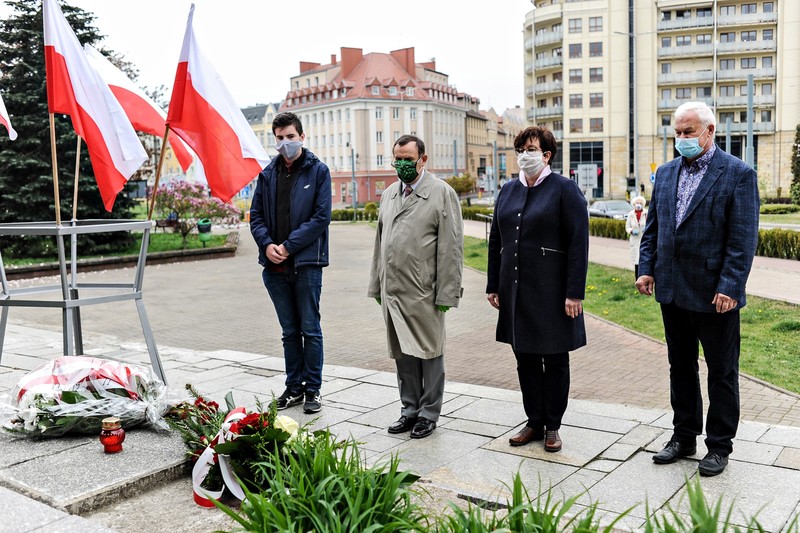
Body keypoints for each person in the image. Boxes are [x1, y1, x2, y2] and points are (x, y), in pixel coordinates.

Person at [636, 101, 759, 476]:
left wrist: (731, 286)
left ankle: (719, 446)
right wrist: (646, 269)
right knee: (680, 367)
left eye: (688, 132)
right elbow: (653, 228)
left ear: (710, 130)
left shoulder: (738, 173)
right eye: (677, 132)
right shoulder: (666, 173)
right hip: (672, 290)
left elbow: (742, 239)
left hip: (715, 294)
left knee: (722, 372)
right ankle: (684, 436)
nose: (682, 138)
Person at [486, 126, 589, 453]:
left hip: (552, 292)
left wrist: (574, 292)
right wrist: (493, 284)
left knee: (555, 359)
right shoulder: (508, 190)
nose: (524, 155)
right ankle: (534, 420)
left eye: (531, 149)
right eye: (521, 150)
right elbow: (495, 239)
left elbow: (578, 243)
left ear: (546, 155)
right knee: (525, 358)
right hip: (515, 291)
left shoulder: (564, 189)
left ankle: (553, 425)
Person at [367, 134, 464, 439]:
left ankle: (428, 414)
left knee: (429, 353)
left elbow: (451, 247)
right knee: (403, 354)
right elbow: (380, 242)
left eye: (408, 159)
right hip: (394, 289)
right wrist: (376, 284)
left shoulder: (442, 193)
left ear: (423, 159)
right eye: (397, 159)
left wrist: (448, 292)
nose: (402, 164)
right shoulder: (389, 194)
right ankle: (409, 409)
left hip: (425, 290)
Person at [250, 112, 332, 414]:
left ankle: (313, 390)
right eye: (280, 138)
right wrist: (267, 244)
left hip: (307, 265)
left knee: (310, 329)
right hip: (275, 268)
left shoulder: (318, 171)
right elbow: (255, 217)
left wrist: (288, 246)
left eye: (290, 137)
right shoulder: (267, 174)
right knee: (289, 332)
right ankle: (294, 388)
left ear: (302, 137)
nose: (285, 143)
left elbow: (321, 218)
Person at [625, 196, 648, 280]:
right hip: (635, 239)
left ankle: (644, 279)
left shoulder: (646, 213)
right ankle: (637, 279)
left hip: (644, 239)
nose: (638, 205)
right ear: (634, 204)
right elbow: (627, 226)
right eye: (637, 203)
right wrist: (631, 231)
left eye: (640, 203)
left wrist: (646, 229)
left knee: (644, 260)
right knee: (636, 262)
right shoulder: (631, 214)